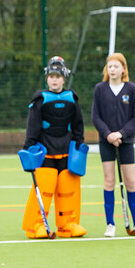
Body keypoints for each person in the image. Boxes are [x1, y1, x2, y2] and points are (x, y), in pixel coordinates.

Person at [20, 56, 86, 238]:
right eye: (51, 76)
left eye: (58, 76)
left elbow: (78, 125)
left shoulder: (72, 99)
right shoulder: (40, 100)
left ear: (64, 78)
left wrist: (79, 143)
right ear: (47, 78)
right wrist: (29, 147)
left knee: (68, 189)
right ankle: (35, 225)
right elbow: (32, 126)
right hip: (45, 152)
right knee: (44, 188)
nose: (54, 79)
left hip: (66, 152)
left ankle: (68, 224)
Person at [91, 52, 135, 237]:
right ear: (106, 70)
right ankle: (110, 224)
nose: (113, 70)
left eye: (116, 66)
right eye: (110, 67)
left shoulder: (131, 89)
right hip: (106, 142)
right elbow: (95, 116)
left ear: (123, 68)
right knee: (109, 181)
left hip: (126, 142)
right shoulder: (100, 89)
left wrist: (121, 134)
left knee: (130, 182)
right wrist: (108, 135)